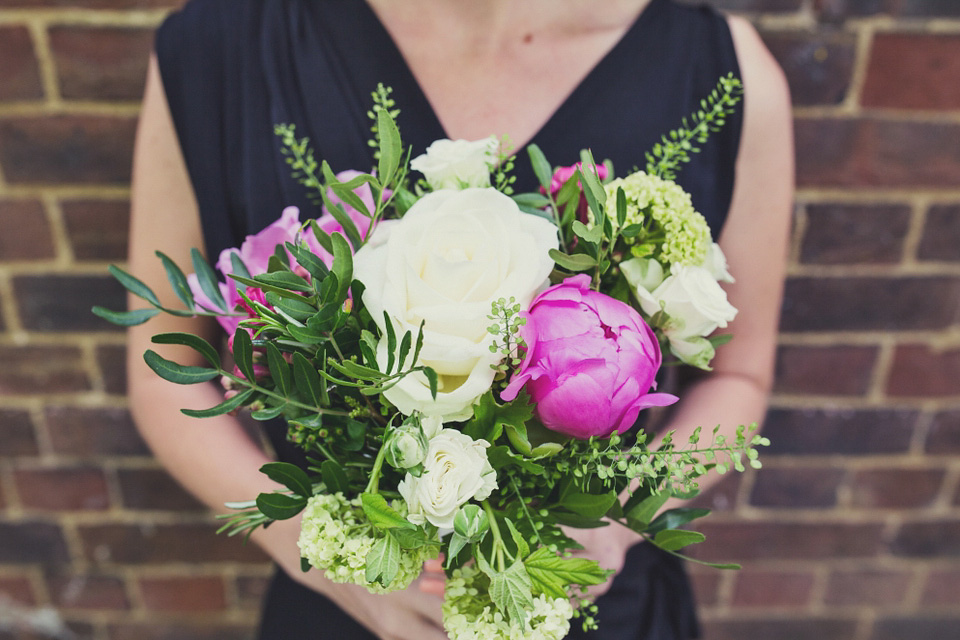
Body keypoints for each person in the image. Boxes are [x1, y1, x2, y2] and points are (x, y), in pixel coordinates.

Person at [126, 0, 793, 638]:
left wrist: (614, 516)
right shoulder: (215, 51)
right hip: (347, 614)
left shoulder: (727, 75)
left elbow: (737, 375)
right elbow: (166, 373)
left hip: (592, 604)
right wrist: (329, 552)